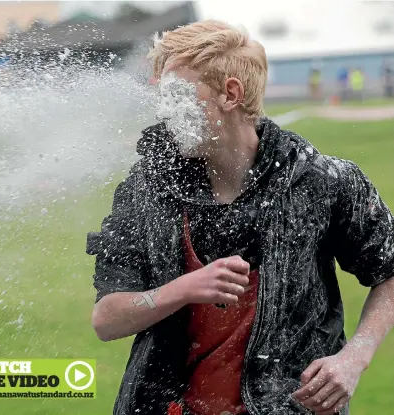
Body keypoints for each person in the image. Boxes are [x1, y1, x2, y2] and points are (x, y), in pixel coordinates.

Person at [87, 20, 394, 415]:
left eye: (178, 94)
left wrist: (354, 359)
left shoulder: (322, 182)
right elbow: (106, 320)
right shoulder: (146, 189)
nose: (165, 110)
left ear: (231, 94)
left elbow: (389, 270)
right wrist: (182, 289)